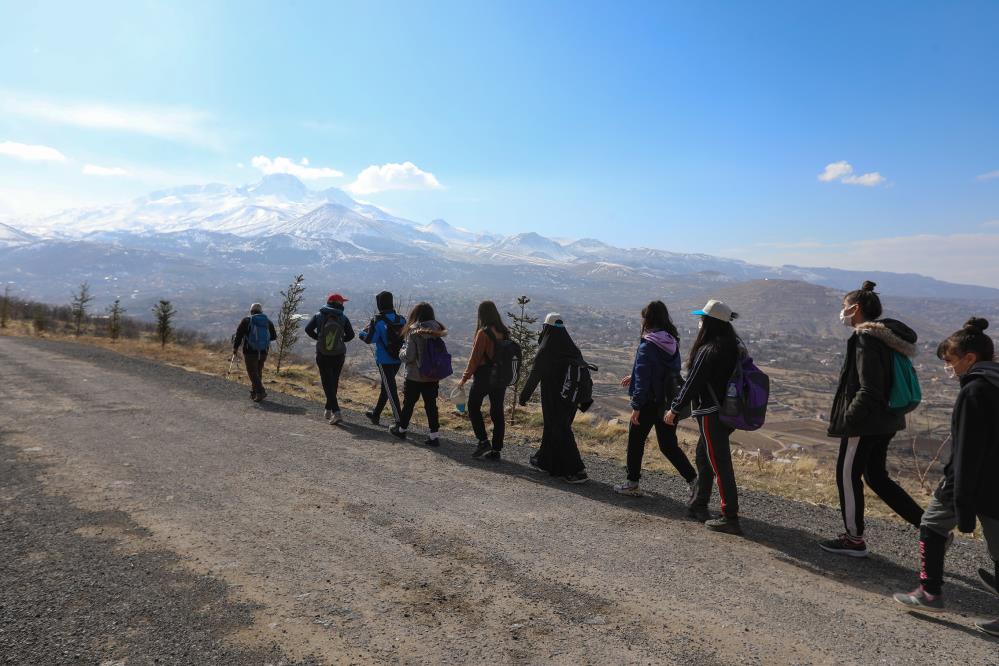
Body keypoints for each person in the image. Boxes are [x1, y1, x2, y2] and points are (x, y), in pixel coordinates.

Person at [892, 318, 999, 634]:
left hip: (968, 481)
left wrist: (963, 501)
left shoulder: (974, 392)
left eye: (951, 362)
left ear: (969, 358)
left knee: (932, 525)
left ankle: (929, 592)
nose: (949, 369)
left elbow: (967, 450)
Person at [820, 281, 923, 557]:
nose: (842, 313)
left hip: (865, 423)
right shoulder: (887, 338)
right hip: (887, 420)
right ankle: (930, 529)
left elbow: (869, 388)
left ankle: (853, 539)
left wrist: (849, 419)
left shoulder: (865, 338)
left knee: (846, 475)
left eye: (844, 308)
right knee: (876, 476)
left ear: (856, 309)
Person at [665, 299, 742, 535]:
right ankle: (698, 503)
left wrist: (675, 409)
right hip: (728, 412)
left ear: (709, 323)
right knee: (704, 456)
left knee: (719, 463)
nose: (699, 322)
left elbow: (692, 384)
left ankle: (730, 516)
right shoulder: (734, 346)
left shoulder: (710, 350)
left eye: (702, 319)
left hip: (711, 413)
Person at [615, 301, 697, 498]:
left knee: (636, 442)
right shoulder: (671, 341)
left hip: (648, 403)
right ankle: (694, 480)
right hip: (667, 403)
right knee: (668, 445)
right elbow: (664, 371)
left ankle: (632, 483)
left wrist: (636, 406)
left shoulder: (648, 343)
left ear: (648, 320)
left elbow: (644, 378)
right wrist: (633, 374)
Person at [519, 313, 588, 484]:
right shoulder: (572, 347)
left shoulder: (546, 349)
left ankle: (577, 471)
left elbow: (534, 375)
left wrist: (523, 397)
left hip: (553, 398)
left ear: (546, 328)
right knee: (554, 429)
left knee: (560, 430)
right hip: (570, 398)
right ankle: (544, 461)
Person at [390, 302, 447, 446]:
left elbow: (408, 356)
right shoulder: (437, 328)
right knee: (431, 405)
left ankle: (401, 430)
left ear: (416, 315)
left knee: (409, 403)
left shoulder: (414, 331)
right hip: (432, 375)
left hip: (414, 376)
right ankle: (434, 436)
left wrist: (400, 351)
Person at [459, 301, 510, 460]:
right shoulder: (504, 332)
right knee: (497, 411)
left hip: (484, 376)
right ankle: (496, 449)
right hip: (500, 377)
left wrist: (464, 378)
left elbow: (475, 359)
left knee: (473, 406)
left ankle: (483, 441)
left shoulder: (483, 333)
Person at [305, 293, 355, 425]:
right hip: (339, 355)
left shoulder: (318, 315)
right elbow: (351, 335)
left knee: (327, 382)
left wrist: (320, 338)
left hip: (323, 354)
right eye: (342, 302)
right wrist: (339, 340)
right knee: (333, 381)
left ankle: (336, 411)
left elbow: (308, 329)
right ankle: (328, 409)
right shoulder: (343, 317)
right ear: (337, 303)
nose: (343, 304)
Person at [359, 291, 406, 427]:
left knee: (390, 389)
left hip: (384, 360)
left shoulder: (377, 320)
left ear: (379, 304)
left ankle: (400, 422)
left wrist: (362, 332)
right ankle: (376, 414)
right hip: (398, 359)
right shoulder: (401, 319)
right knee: (387, 388)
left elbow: (369, 339)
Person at [232, 303, 277, 402]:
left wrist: (235, 348)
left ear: (251, 311)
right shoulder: (267, 321)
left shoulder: (247, 321)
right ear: (261, 311)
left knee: (252, 372)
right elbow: (274, 336)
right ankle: (254, 392)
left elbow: (238, 335)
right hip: (263, 351)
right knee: (257, 371)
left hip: (250, 351)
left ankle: (260, 392)